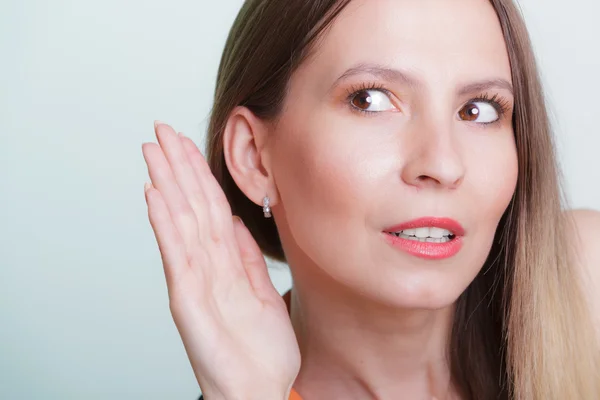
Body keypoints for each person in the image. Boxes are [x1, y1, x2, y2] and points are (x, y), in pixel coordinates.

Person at [141, 0, 600, 398]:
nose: (442, 163)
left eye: (477, 109)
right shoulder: (246, 389)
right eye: (371, 100)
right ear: (254, 159)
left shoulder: (585, 287)